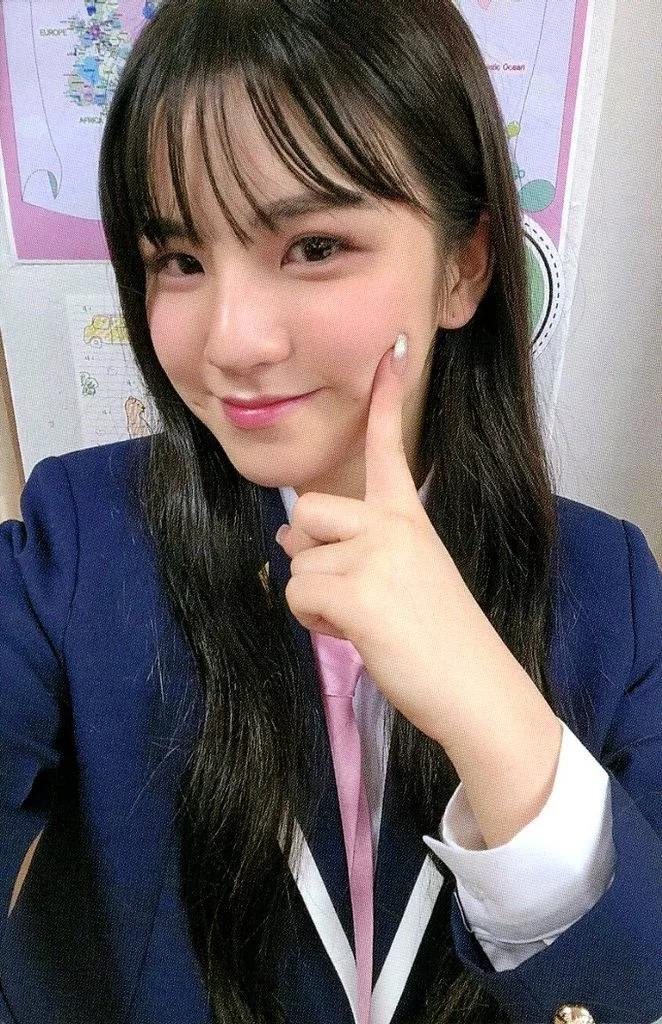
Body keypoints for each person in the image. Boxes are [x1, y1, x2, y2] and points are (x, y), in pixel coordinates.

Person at [1, 1, 661, 1022]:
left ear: (462, 266)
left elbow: (633, 985)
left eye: (312, 245)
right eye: (179, 259)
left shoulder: (609, 588)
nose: (230, 340)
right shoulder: (74, 546)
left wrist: (490, 707)